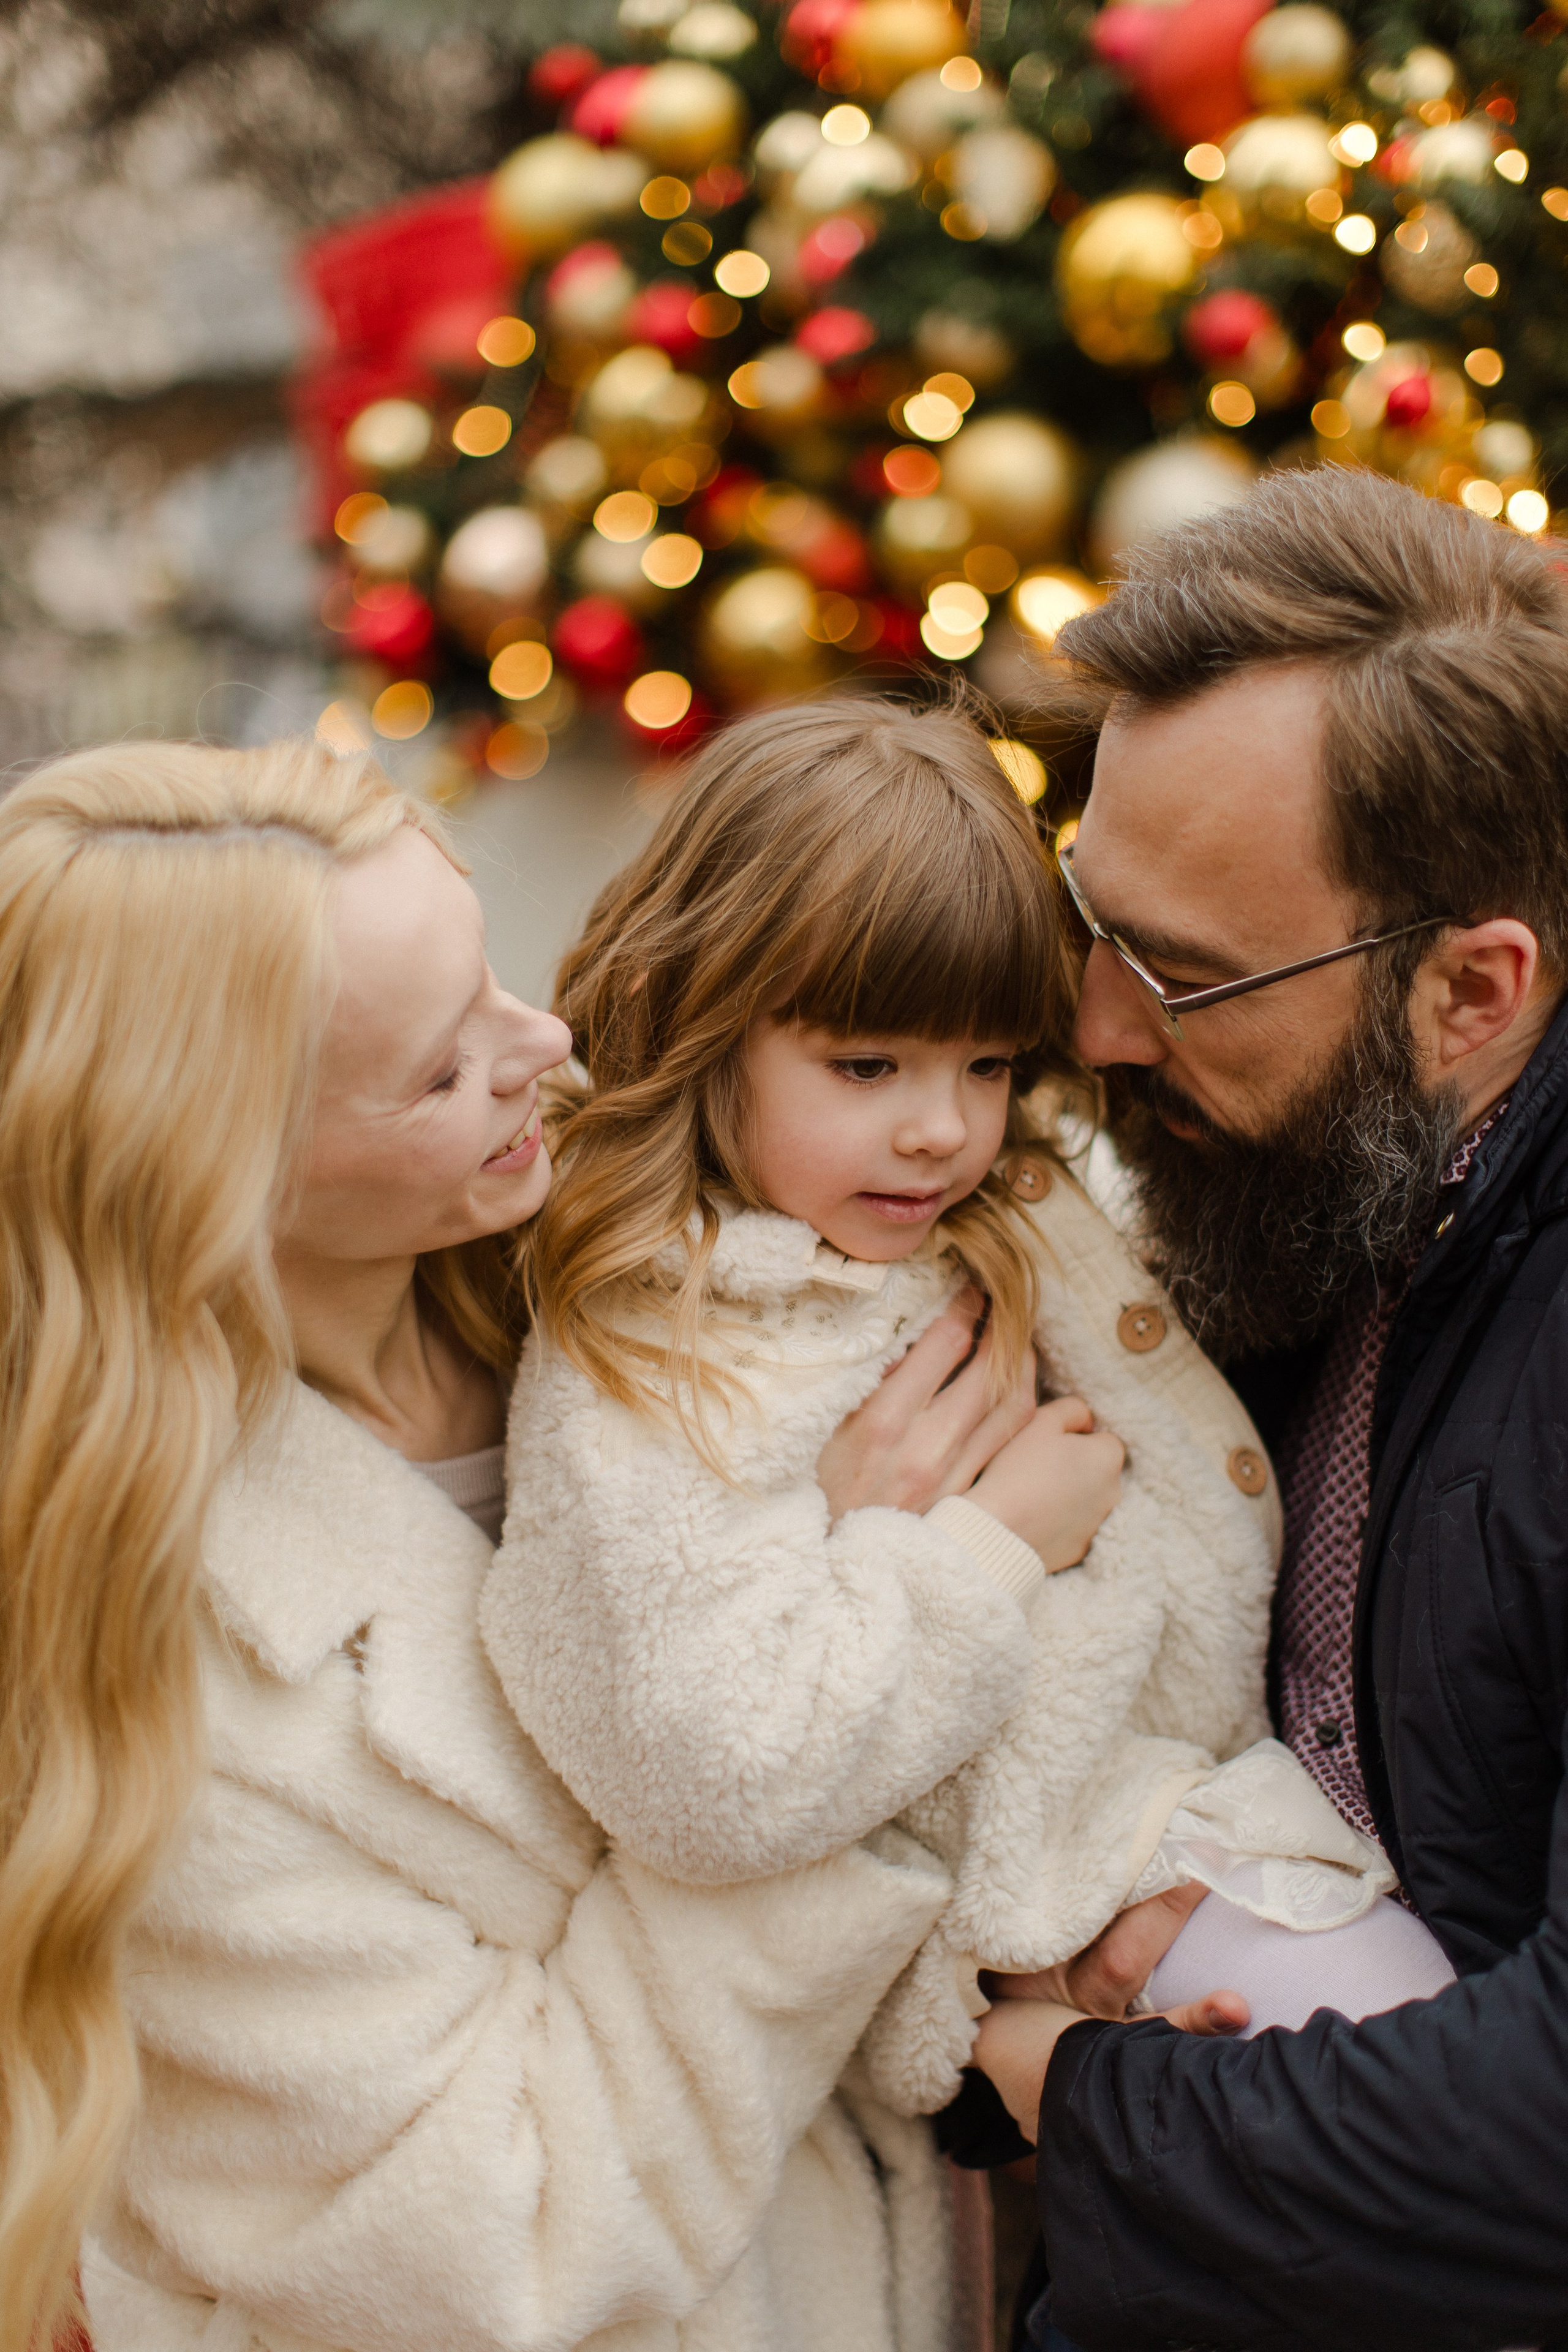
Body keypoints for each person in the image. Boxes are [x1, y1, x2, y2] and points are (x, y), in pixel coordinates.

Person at [0, 734, 1054, 2352]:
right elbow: (489, 2246)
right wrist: (876, 1626)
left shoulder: (624, 1276)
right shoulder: (156, 1678)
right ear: (210, 1170)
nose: (545, 1041)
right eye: (438, 1070)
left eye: (491, 975)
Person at [480, 696, 1392, 2131]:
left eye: (982, 1064)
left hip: (1219, 1829)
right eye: (864, 1066)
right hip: (1062, 1903)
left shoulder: (1015, 1200)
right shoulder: (651, 1348)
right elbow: (706, 1772)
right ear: (702, 1024)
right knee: (1415, 2160)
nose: (940, 1128)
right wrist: (980, 1546)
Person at [970, 466, 1568, 2351]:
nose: (1097, 1027)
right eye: (1095, 920)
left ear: (1471, 991)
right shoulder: (1295, 1189)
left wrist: (1077, 2087)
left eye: (1191, 977)